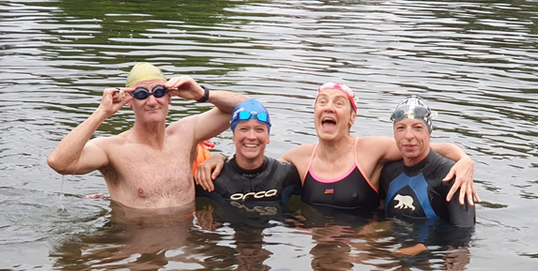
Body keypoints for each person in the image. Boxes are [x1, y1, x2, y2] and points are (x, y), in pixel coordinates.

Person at [197, 82, 480, 215]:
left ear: (352, 117)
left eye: (338, 103)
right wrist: (219, 157)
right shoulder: (299, 157)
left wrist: (465, 160)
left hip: (363, 247)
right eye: (322, 102)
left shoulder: (371, 149)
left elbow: (427, 148)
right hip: (313, 243)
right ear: (315, 112)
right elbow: (256, 164)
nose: (329, 107)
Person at [47, 62, 248, 209]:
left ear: (170, 97)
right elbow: (59, 163)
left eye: (159, 92)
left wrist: (202, 94)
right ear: (129, 101)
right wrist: (102, 112)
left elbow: (248, 108)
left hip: (184, 243)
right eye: (142, 94)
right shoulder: (111, 148)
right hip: (134, 246)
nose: (152, 101)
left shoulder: (187, 132)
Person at [379, 96, 476, 228]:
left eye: (417, 128)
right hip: (397, 242)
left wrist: (418, 248)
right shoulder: (388, 171)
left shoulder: (452, 176)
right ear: (394, 134)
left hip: (432, 246)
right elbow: (378, 216)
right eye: (401, 128)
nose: (408, 136)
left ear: (429, 133)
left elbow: (463, 237)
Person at [194, 98, 300, 210]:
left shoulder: (287, 174)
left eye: (259, 130)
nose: (251, 137)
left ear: (268, 137)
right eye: (244, 129)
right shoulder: (212, 178)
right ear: (233, 135)